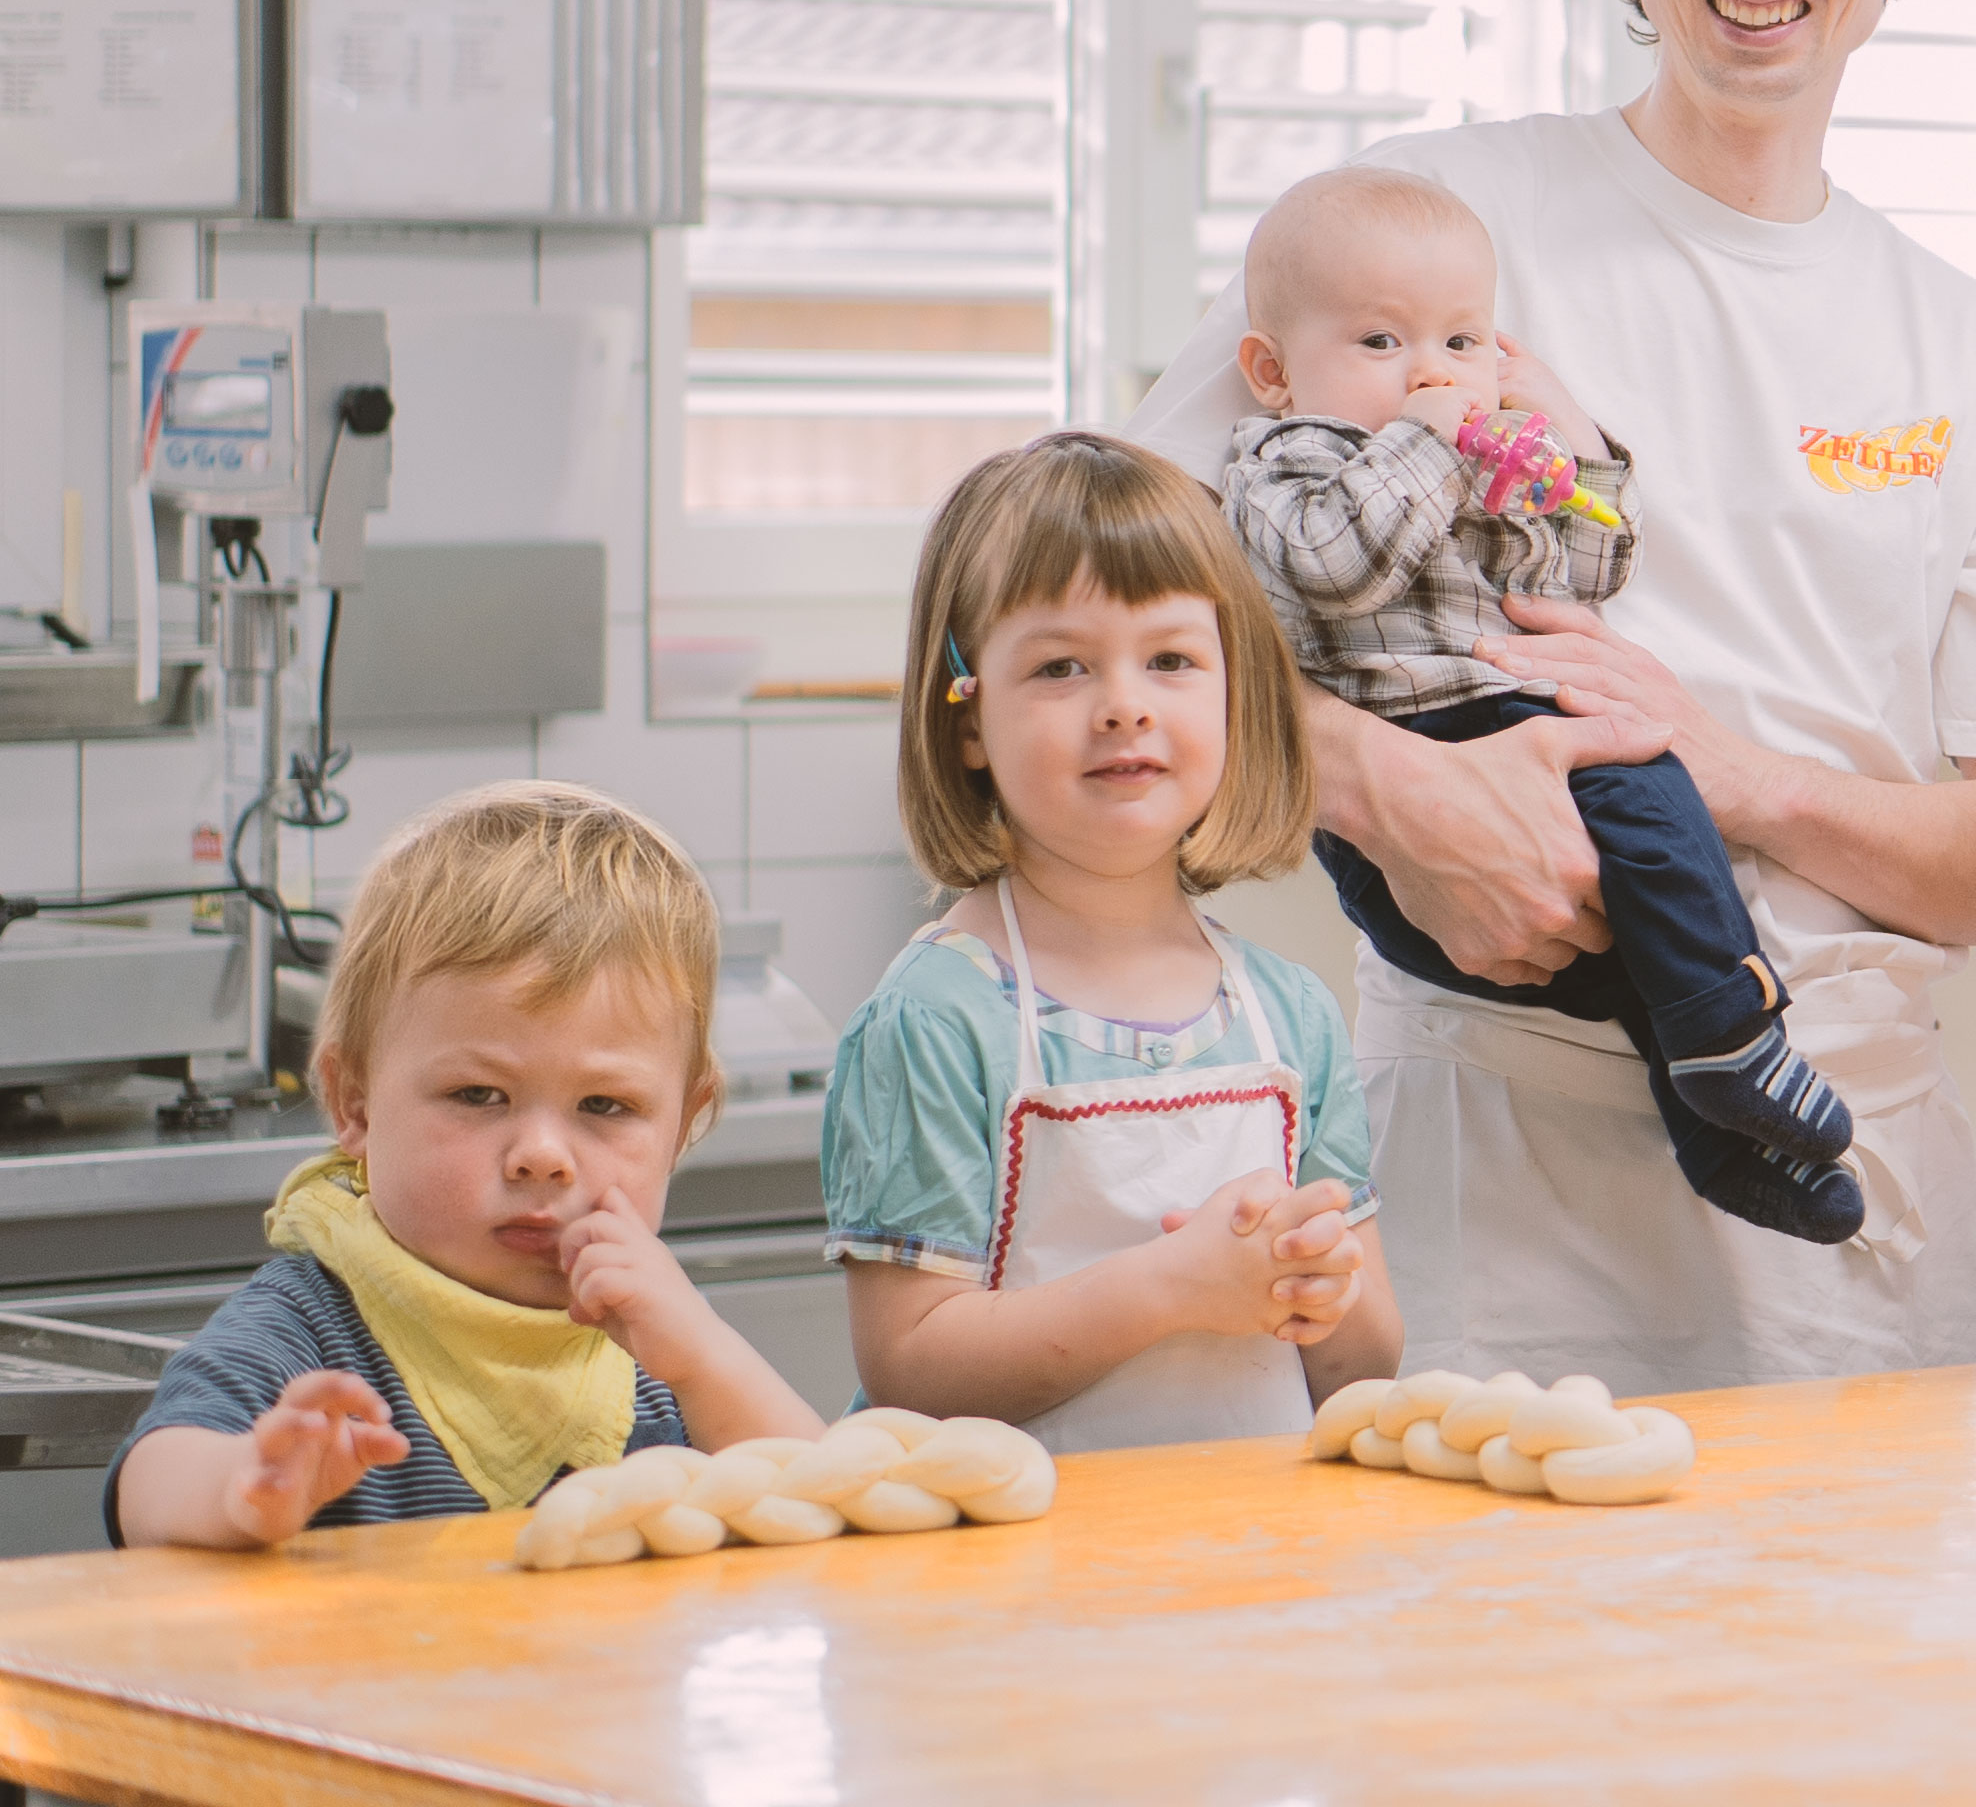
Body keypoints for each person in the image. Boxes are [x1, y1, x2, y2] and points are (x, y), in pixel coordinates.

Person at [1128, 0, 1976, 1393]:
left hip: (1846, 1158)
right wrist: (1387, 786)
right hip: (1500, 1148)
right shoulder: (1437, 219)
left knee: (1864, 1659)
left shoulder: (1975, 348)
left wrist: (1752, 780)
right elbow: (1094, 582)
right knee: (1496, 1654)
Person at [1222, 164, 1863, 1243]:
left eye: (1463, 343)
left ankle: (1709, 1109)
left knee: (1649, 865)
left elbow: (1595, 569)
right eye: (1382, 344)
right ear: (1274, 369)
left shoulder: (1480, 464)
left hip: (1525, 729)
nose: (1433, 373)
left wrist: (1577, 444)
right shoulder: (1287, 457)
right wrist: (1432, 432)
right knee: (1646, 804)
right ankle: (1736, 1031)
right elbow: (1337, 566)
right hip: (1422, 751)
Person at [826, 431, 1399, 1450]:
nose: (1126, 703)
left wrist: (1321, 1282)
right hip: (1025, 1584)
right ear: (967, 717)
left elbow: (1360, 1367)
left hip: (1250, 1565)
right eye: (1060, 665)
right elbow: (912, 1366)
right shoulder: (936, 1018)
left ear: (1235, 689)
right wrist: (1171, 1287)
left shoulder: (1290, 1014)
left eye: (1172, 658)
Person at [111, 783, 825, 1547]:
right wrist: (242, 1486)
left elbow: (824, 1500)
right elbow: (151, 1480)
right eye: (479, 1094)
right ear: (354, 1103)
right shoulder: (315, 1326)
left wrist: (708, 1360)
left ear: (685, 1122)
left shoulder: (655, 1337)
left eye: (605, 1106)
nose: (542, 1158)